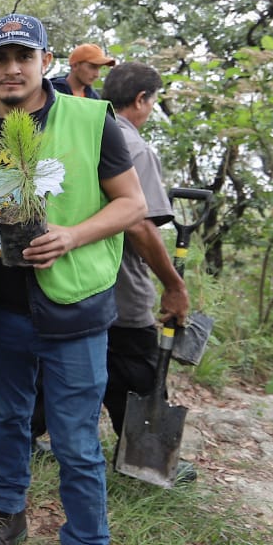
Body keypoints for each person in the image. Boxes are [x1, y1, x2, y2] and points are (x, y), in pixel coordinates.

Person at [0, 14, 146, 545]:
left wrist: (71, 235)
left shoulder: (93, 121)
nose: (11, 68)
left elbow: (130, 205)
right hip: (1, 310)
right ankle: (9, 513)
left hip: (73, 310)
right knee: (10, 416)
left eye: (22, 55)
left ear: (43, 59)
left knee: (75, 444)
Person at [94, 61, 195, 481]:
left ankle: (32, 437)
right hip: (121, 289)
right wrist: (173, 283)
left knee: (66, 367)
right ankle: (145, 458)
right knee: (137, 372)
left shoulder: (85, 130)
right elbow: (139, 225)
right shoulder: (136, 147)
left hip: (73, 283)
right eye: (152, 101)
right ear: (141, 100)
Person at [50, 43, 115, 99]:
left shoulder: (95, 99)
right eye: (92, 67)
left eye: (99, 68)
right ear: (75, 65)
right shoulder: (50, 91)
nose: (97, 75)